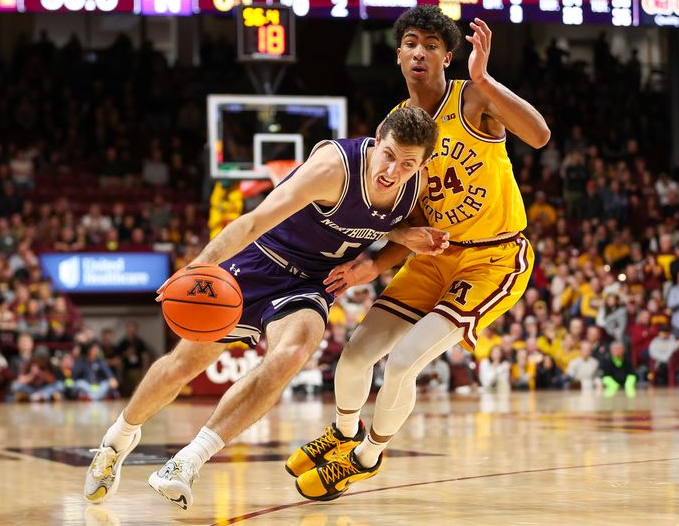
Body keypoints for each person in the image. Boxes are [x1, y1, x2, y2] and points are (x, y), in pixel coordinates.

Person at [84, 107, 446, 508]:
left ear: (423, 164)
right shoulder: (333, 168)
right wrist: (200, 266)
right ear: (378, 140)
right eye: (389, 155)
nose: (393, 170)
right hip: (259, 259)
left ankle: (187, 461)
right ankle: (117, 440)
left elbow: (393, 230)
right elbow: (252, 222)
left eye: (408, 164)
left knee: (291, 353)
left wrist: (389, 250)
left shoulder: (417, 188)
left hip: (310, 283)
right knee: (182, 366)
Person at [288, 7, 549, 501]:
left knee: (403, 361)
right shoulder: (397, 125)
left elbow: (539, 135)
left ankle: (365, 457)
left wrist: (485, 79)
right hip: (428, 259)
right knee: (354, 357)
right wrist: (369, 264)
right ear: (398, 55)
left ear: (447, 56)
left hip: (492, 258)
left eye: (431, 45)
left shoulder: (472, 98)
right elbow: (405, 224)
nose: (420, 52)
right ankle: (342, 435)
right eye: (411, 42)